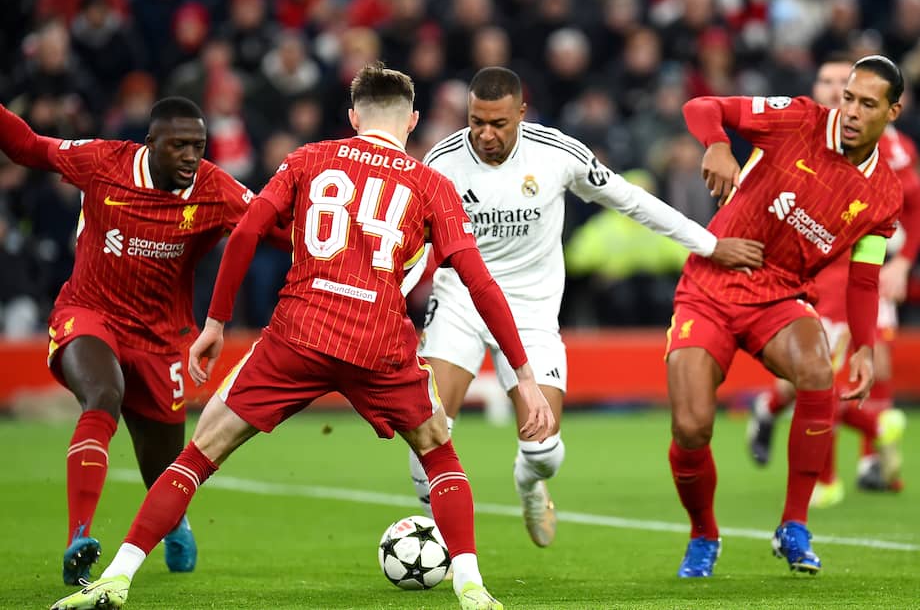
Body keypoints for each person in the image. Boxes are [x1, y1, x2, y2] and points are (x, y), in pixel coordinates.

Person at [50, 63, 554, 610]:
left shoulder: (309, 158)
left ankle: (118, 577)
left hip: (300, 333)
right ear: (411, 121)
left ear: (353, 116)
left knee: (200, 452)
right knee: (438, 452)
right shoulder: (431, 183)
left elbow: (245, 231)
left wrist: (215, 323)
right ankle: (472, 587)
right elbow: (478, 280)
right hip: (377, 340)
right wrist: (524, 375)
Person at [402, 66, 764, 548]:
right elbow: (410, 241)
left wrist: (708, 243)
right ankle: (444, 549)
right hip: (460, 304)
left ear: (522, 114)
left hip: (530, 310)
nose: (486, 135)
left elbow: (632, 200)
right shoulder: (442, 161)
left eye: (498, 124)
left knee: (545, 451)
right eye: (477, 122)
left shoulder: (556, 153)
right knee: (426, 428)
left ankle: (529, 484)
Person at [0, 96, 290, 585]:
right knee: (102, 397)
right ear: (150, 143)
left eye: (198, 146)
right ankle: (79, 538)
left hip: (160, 340)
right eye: (177, 145)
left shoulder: (214, 188)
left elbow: (275, 229)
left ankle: (175, 520)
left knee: (162, 470)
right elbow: (29, 147)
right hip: (89, 314)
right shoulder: (103, 161)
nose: (189, 156)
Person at [666, 55, 905, 577]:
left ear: (893, 111)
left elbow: (864, 279)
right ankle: (703, 532)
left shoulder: (884, 195)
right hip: (710, 286)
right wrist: (718, 144)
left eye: (868, 103)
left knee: (819, 374)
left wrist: (863, 345)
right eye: (848, 98)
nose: (852, 111)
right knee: (690, 428)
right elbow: (701, 105)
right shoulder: (797, 119)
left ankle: (794, 525)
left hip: (779, 296)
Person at [746, 55, 919, 506]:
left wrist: (902, 264)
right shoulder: (798, 130)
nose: (840, 95)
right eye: (831, 84)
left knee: (860, 367)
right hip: (802, 273)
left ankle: (857, 462)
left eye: (850, 87)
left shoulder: (894, 152)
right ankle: (838, 448)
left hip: (859, 271)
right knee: (812, 373)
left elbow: (912, 207)